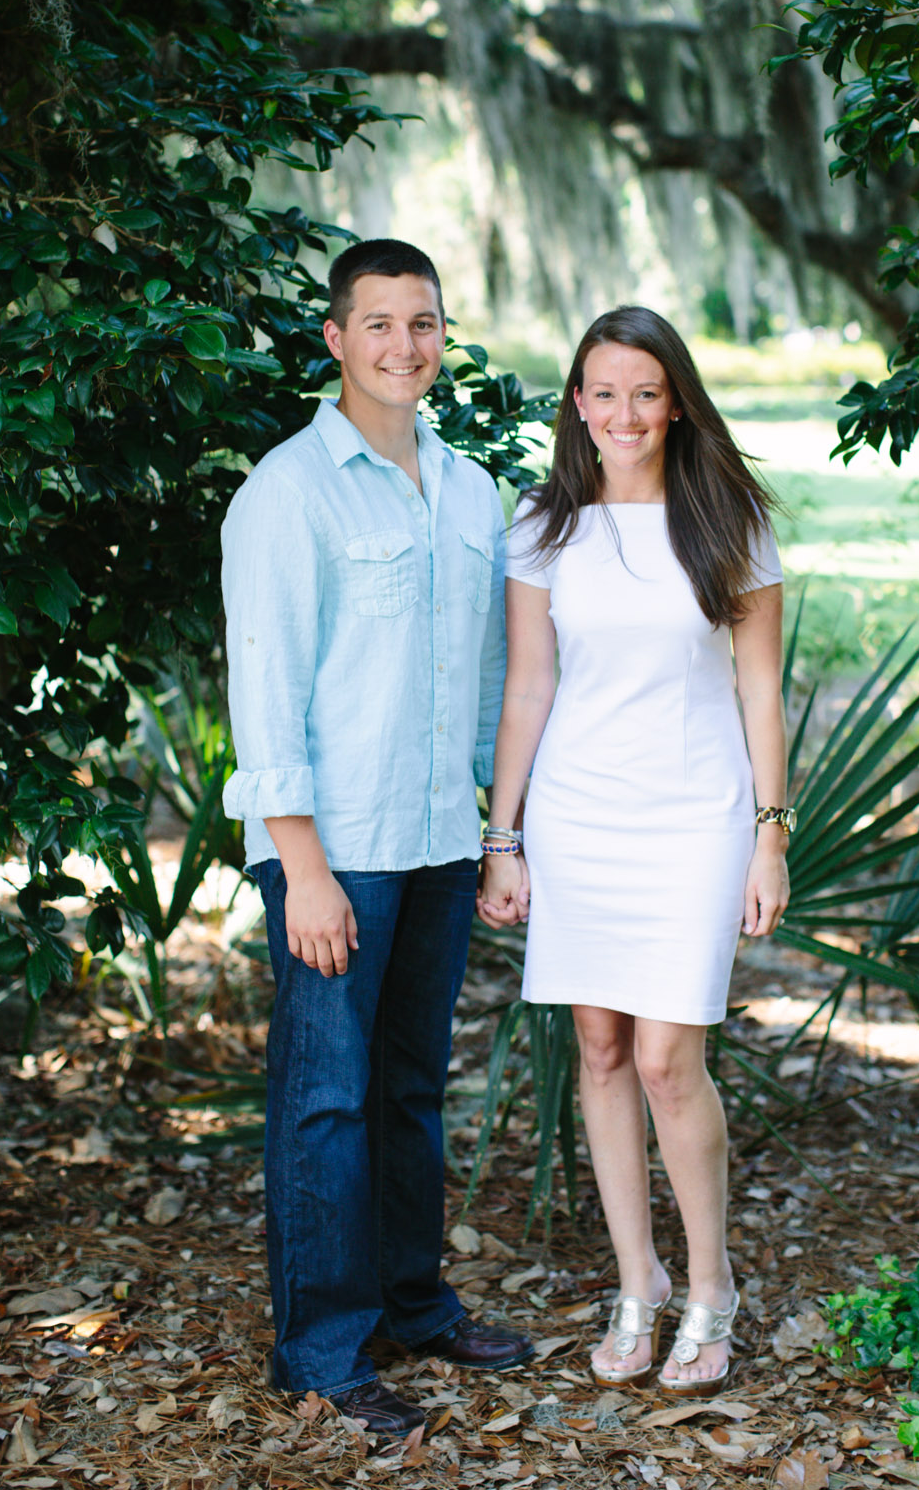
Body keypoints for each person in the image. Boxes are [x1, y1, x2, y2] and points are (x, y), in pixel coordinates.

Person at [220, 239, 534, 1440]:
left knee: (410, 1088)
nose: (405, 346)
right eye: (380, 324)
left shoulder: (467, 487)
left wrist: (497, 837)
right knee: (326, 1101)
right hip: (334, 850)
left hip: (438, 842)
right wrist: (300, 866)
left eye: (425, 324)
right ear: (334, 341)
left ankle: (415, 1303)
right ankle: (323, 1351)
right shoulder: (290, 491)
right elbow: (267, 692)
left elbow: (490, 676)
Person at [477, 304, 790, 1395]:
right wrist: (504, 836)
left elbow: (759, 686)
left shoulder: (730, 523)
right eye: (603, 393)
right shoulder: (541, 527)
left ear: (676, 401)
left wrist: (769, 834)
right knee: (601, 1053)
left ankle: (713, 1287)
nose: (624, 414)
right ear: (577, 402)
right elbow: (529, 684)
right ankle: (637, 1281)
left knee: (667, 1059)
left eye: (646, 393)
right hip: (575, 813)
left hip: (696, 814)